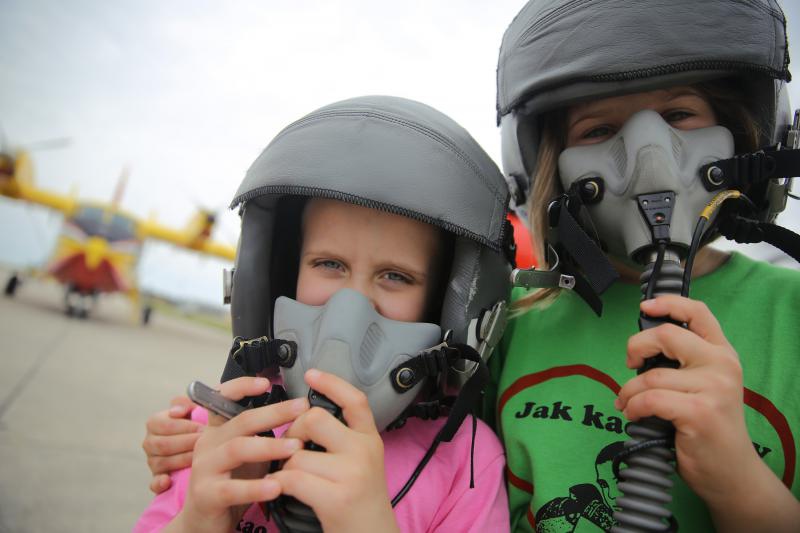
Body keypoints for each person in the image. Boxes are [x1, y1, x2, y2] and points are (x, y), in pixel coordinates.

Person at [134, 95, 513, 532]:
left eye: (395, 275)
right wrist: (198, 520)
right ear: (282, 277)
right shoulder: (226, 422)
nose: (349, 310)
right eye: (329, 264)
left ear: (441, 305)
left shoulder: (466, 463)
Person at [492, 0, 800, 531]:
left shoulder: (792, 314)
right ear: (551, 171)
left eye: (679, 114)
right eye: (597, 129)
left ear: (744, 138)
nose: (647, 155)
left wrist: (736, 479)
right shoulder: (507, 325)